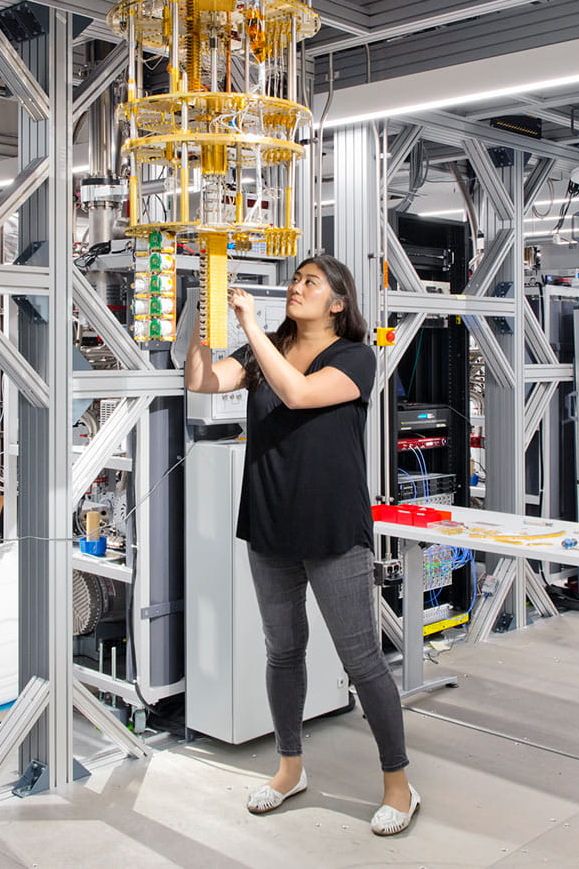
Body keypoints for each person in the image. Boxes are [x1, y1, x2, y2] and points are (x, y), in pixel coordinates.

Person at [184, 254, 419, 836]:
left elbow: (298, 395)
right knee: (282, 650)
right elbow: (202, 382)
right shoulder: (264, 352)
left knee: (361, 659)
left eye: (310, 282)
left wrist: (250, 327)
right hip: (269, 523)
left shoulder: (355, 357)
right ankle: (290, 768)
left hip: (331, 527)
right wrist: (199, 318)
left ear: (337, 304)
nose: (297, 288)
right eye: (296, 280)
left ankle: (399, 786)